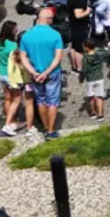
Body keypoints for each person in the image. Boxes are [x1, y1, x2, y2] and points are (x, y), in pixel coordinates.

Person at [20, 8, 65, 139]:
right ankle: (51, 131)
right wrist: (46, 72)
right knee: (52, 102)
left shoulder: (26, 35)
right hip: (52, 73)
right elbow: (57, 58)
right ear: (48, 20)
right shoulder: (55, 35)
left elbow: (23, 57)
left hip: (36, 74)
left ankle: (45, 128)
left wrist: (33, 72)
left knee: (41, 101)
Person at [66, 0, 91, 71]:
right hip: (79, 27)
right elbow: (78, 15)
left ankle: (74, 66)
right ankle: (80, 69)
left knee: (73, 46)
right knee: (79, 49)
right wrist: (87, 11)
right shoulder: (78, 0)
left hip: (73, 25)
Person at [80, 39, 108, 121]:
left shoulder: (85, 58)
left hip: (90, 80)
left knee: (91, 97)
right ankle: (100, 114)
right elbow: (106, 52)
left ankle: (93, 113)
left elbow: (84, 71)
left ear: (86, 48)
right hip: (99, 78)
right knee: (99, 97)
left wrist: (81, 79)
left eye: (83, 46)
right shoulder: (99, 55)